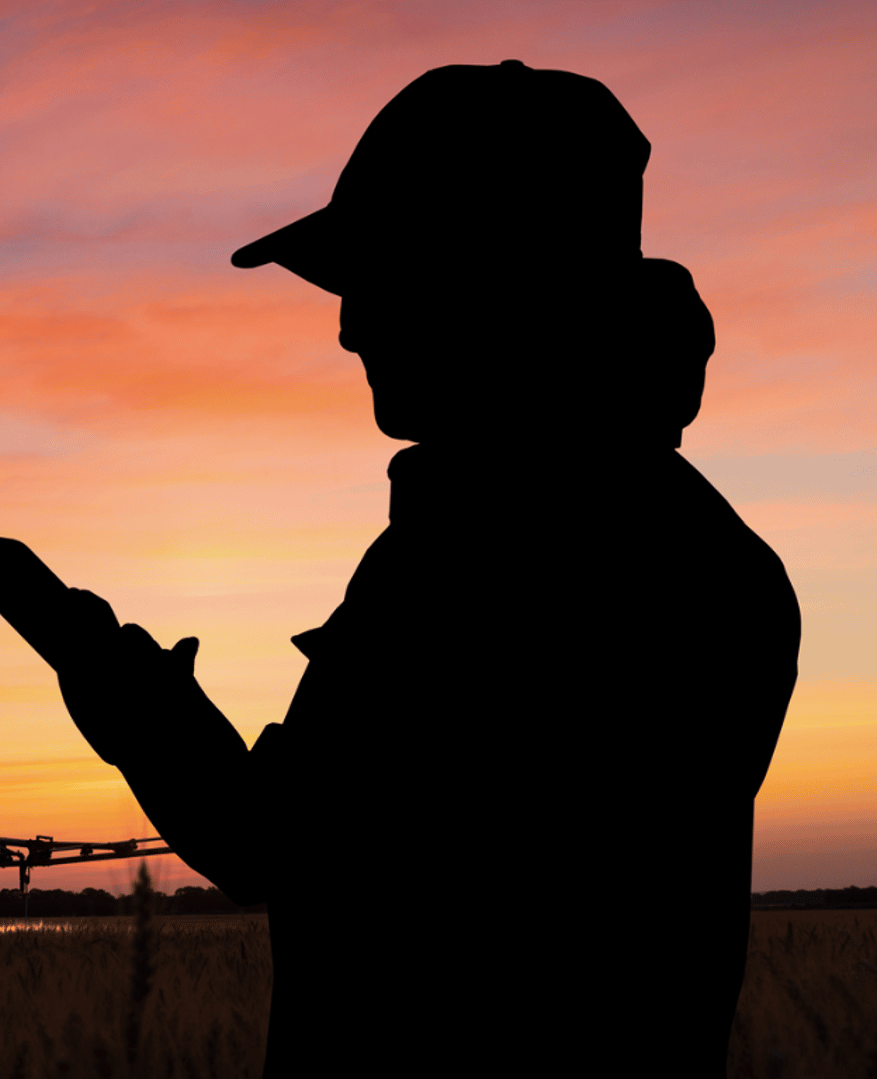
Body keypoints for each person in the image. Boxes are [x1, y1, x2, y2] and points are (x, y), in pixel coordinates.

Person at [55, 61, 800, 1077]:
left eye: (382, 278)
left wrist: (133, 709)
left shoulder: (491, 556)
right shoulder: (689, 544)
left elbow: (287, 846)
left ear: (494, 281)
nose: (350, 326)